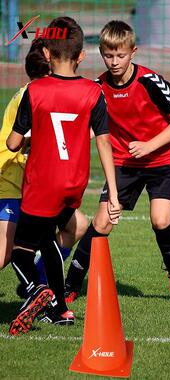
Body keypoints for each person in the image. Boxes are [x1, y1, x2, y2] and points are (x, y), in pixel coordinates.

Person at [6, 16, 120, 336]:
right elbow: (104, 142)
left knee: (20, 250)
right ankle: (61, 310)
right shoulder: (93, 92)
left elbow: (13, 142)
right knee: (48, 238)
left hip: (42, 183)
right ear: (82, 55)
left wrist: (29, 139)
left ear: (46, 54)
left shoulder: (36, 90)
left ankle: (34, 291)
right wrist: (112, 193)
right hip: (74, 184)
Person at [64, 20, 170, 302]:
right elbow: (84, 129)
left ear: (133, 51)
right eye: (109, 56)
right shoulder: (97, 88)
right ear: (101, 53)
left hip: (162, 158)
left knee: (160, 219)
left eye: (121, 55)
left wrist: (148, 146)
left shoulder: (150, 82)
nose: (115, 62)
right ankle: (70, 285)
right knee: (103, 222)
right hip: (123, 164)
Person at [0, 38, 88, 293]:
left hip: (35, 182)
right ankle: (37, 284)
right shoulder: (33, 94)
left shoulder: (44, 92)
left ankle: (39, 282)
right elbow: (18, 143)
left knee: (77, 226)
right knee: (5, 255)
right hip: (12, 179)